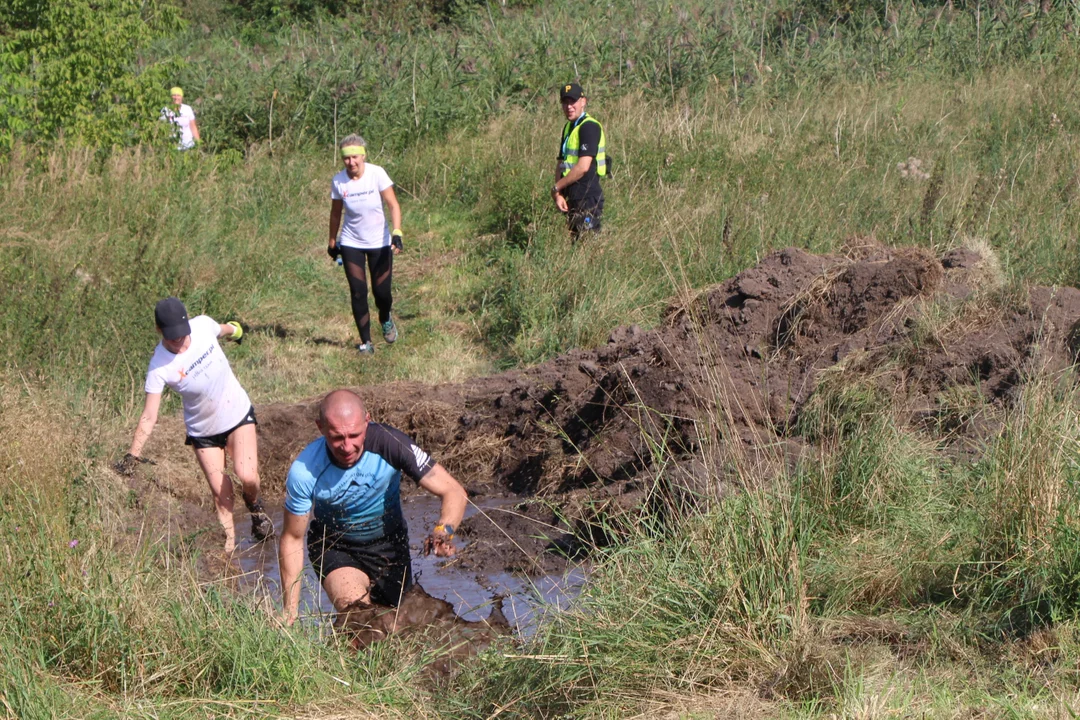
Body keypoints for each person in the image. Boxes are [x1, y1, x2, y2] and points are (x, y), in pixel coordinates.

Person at [278, 389, 467, 625]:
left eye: (354, 435)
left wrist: (442, 532)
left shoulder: (393, 444)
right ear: (321, 428)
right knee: (360, 618)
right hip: (336, 547)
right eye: (337, 437)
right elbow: (293, 538)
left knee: (402, 627)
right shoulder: (305, 470)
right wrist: (290, 610)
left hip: (390, 545)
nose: (347, 447)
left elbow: (453, 491)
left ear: (367, 421)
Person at [119, 297, 273, 553]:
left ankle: (255, 507)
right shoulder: (159, 366)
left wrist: (236, 330)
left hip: (236, 414)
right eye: (172, 337)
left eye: (181, 334)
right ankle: (228, 557)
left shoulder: (202, 326)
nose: (179, 342)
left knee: (247, 475)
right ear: (159, 331)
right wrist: (132, 456)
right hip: (203, 431)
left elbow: (224, 329)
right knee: (221, 495)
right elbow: (149, 415)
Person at [327, 134, 404, 355]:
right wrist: (333, 241)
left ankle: (385, 317)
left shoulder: (376, 173)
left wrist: (397, 233)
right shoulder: (338, 181)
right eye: (346, 159)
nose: (351, 163)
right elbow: (335, 214)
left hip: (379, 241)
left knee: (382, 293)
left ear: (363, 156)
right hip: (352, 242)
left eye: (354, 157)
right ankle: (366, 342)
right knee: (358, 292)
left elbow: (393, 204)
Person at [551, 82, 607, 240]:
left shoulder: (589, 127)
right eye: (565, 102)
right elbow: (561, 162)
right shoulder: (569, 128)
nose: (569, 106)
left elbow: (583, 167)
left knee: (589, 243)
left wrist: (556, 187)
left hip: (587, 197)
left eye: (573, 101)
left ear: (583, 101)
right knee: (576, 244)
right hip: (571, 198)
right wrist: (559, 194)